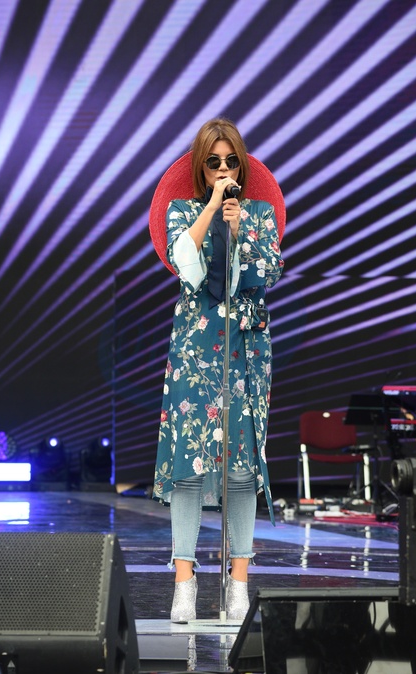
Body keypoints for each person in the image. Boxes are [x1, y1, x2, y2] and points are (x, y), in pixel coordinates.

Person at [152, 117, 284, 622]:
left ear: (242, 165)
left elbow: (266, 273)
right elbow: (185, 266)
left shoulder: (259, 215)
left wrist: (238, 228)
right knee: (189, 460)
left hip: (246, 345)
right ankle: (184, 582)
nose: (224, 169)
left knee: (241, 466)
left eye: (231, 161)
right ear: (201, 167)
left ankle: (239, 583)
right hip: (196, 348)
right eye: (214, 162)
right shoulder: (182, 211)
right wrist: (211, 210)